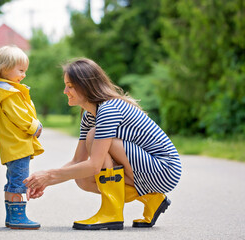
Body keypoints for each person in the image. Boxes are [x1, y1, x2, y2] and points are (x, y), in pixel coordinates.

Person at [24, 57, 182, 230]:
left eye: (70, 86)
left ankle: (111, 213)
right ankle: (151, 198)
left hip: (164, 168)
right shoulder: (89, 116)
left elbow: (94, 166)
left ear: (86, 86)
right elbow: (78, 161)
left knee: (93, 138)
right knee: (82, 179)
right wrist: (46, 181)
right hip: (145, 168)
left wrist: (49, 175)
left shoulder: (109, 109)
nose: (65, 91)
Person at [0, 45, 44, 230]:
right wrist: (34, 127)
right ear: (4, 68)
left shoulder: (4, 90)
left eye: (25, 71)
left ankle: (12, 216)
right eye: (20, 70)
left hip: (13, 145)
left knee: (13, 180)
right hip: (17, 145)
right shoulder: (9, 94)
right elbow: (19, 115)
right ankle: (18, 217)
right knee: (19, 182)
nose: (24, 74)